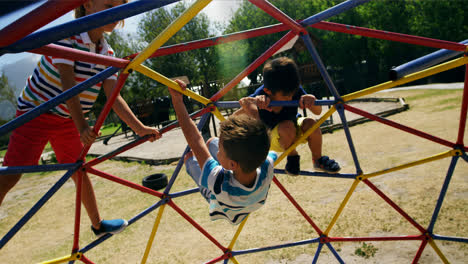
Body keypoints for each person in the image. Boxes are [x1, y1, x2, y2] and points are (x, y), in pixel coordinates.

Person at [0, 0, 161, 238]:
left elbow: (113, 97)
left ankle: (97, 224)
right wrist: (83, 126)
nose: (116, 13)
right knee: (13, 171)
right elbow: (68, 85)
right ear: (87, 4)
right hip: (36, 112)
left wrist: (139, 128)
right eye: (109, 5)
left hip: (66, 119)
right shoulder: (68, 35)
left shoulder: (107, 52)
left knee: (79, 169)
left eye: (119, 7)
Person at [169, 80, 277, 225]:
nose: (218, 152)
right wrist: (252, 110)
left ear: (232, 164)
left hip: (220, 202)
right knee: (211, 141)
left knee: (189, 158)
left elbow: (195, 140)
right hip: (253, 199)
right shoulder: (267, 164)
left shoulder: (218, 182)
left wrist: (177, 101)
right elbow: (259, 137)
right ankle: (220, 149)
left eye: (220, 151)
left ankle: (192, 163)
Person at [235, 56, 340, 175]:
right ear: (268, 91)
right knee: (286, 126)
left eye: (293, 93)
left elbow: (318, 111)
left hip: (293, 128)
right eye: (285, 96)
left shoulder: (292, 88)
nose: (290, 98)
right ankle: (292, 157)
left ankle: (318, 159)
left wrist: (312, 101)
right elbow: (235, 116)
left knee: (311, 123)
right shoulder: (261, 95)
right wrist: (249, 105)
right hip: (272, 137)